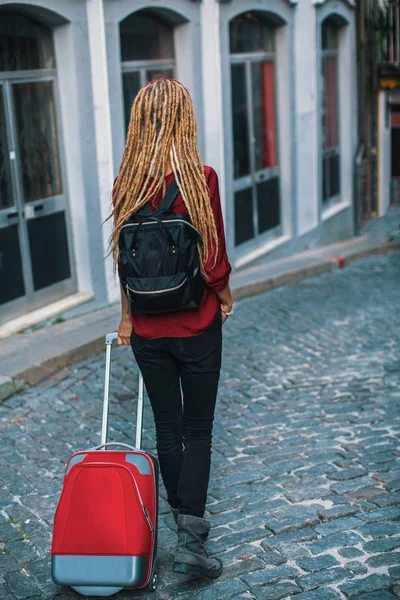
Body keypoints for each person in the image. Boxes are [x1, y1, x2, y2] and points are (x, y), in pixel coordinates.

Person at [108, 78, 233, 579]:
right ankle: (190, 540)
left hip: (148, 330)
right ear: (185, 120)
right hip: (196, 323)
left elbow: (123, 261)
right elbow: (214, 256)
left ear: (139, 123)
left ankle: (183, 525)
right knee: (198, 429)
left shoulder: (126, 184)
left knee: (168, 427)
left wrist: (125, 318)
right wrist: (224, 298)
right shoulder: (200, 178)